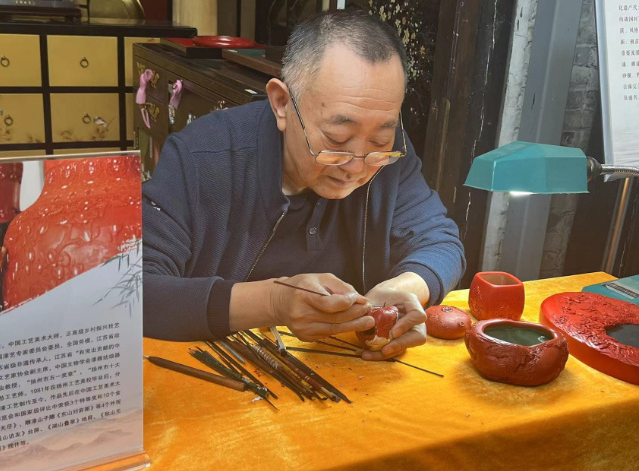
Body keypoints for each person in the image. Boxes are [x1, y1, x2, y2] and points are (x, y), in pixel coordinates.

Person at [143, 10, 466, 360]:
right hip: (217, 373)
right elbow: (133, 292)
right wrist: (273, 302)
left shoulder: (388, 159)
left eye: (380, 138)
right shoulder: (201, 158)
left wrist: (404, 287)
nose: (357, 166)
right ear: (282, 104)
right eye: (337, 139)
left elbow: (440, 241)